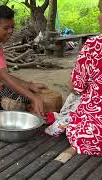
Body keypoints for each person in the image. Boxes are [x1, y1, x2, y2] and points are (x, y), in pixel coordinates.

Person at [65, 0, 102, 156]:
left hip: (94, 135)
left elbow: (77, 87)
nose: (98, 18)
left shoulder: (94, 45)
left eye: (101, 12)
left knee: (73, 102)